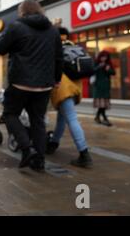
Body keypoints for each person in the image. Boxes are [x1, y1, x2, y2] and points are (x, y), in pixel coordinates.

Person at [0, 0, 63, 172]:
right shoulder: (53, 30)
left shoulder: (16, 26)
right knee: (38, 122)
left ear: (22, 12)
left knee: (10, 114)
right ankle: (39, 161)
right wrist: (56, 79)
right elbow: (58, 58)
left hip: (20, 83)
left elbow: (0, 49)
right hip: (44, 85)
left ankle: (28, 149)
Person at [47, 27, 93, 168]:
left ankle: (84, 153)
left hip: (63, 87)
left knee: (71, 119)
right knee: (63, 118)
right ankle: (53, 144)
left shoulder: (54, 48)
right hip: (75, 87)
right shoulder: (73, 47)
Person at [93, 51, 116, 127]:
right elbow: (92, 71)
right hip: (99, 86)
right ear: (100, 57)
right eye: (102, 57)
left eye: (105, 57)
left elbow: (113, 73)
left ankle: (98, 117)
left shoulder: (108, 64)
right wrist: (99, 66)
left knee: (103, 104)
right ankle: (105, 118)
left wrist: (108, 69)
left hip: (106, 86)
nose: (104, 58)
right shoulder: (96, 64)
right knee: (101, 104)